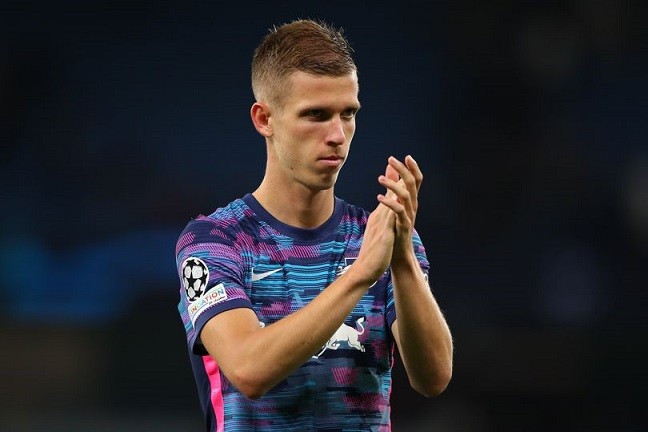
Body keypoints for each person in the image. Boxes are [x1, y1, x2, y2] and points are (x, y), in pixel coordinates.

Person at [175, 18, 453, 431]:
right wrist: (361, 275)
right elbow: (249, 369)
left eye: (348, 113)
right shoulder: (215, 241)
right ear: (264, 119)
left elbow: (433, 378)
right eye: (316, 115)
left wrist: (403, 261)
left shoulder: (383, 237)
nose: (338, 134)